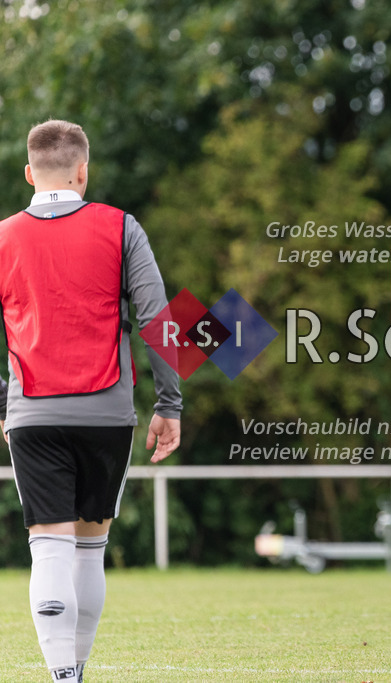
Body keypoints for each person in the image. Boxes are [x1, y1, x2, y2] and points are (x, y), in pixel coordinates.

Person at [0, 120, 182, 682]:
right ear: (83, 172)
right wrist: (169, 404)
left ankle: (63, 677)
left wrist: (3, 406)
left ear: (29, 174)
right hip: (106, 413)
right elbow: (157, 319)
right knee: (88, 548)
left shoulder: (2, 237)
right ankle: (75, 669)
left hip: (33, 415)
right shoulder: (121, 227)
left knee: (49, 548)